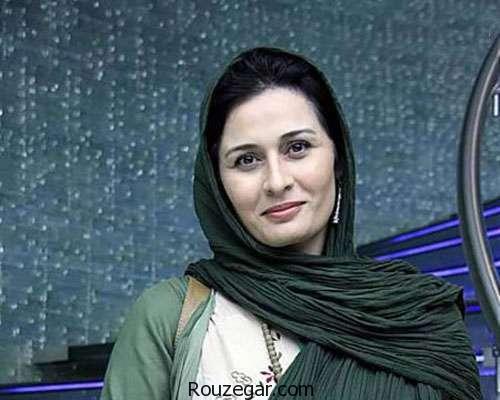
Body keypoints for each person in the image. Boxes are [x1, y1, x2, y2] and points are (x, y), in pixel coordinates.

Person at [100, 46, 482, 400]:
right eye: (247, 160)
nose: (277, 181)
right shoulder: (169, 317)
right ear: (217, 181)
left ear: (337, 158)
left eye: (297, 147)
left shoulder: (417, 317)